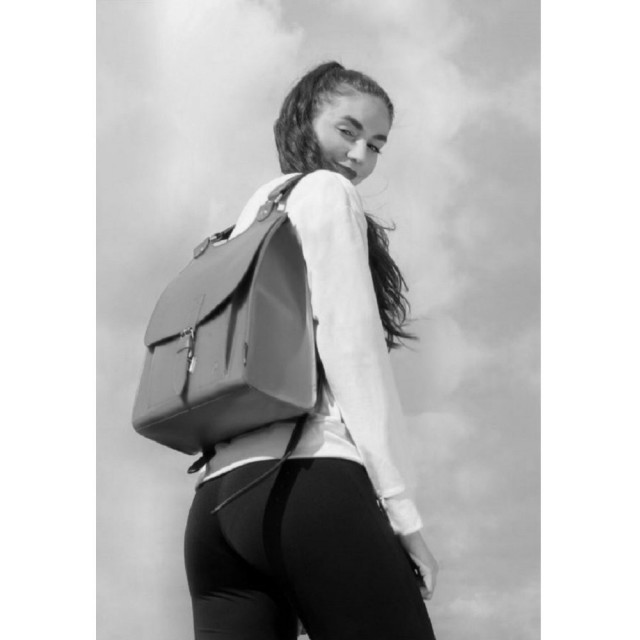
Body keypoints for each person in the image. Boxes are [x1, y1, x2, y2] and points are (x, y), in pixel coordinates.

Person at [184, 61, 439, 640]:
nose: (360, 155)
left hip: (216, 508)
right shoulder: (326, 192)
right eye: (348, 131)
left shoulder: (243, 225)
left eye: (376, 145)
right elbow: (352, 349)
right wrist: (403, 515)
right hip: (308, 480)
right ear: (304, 119)